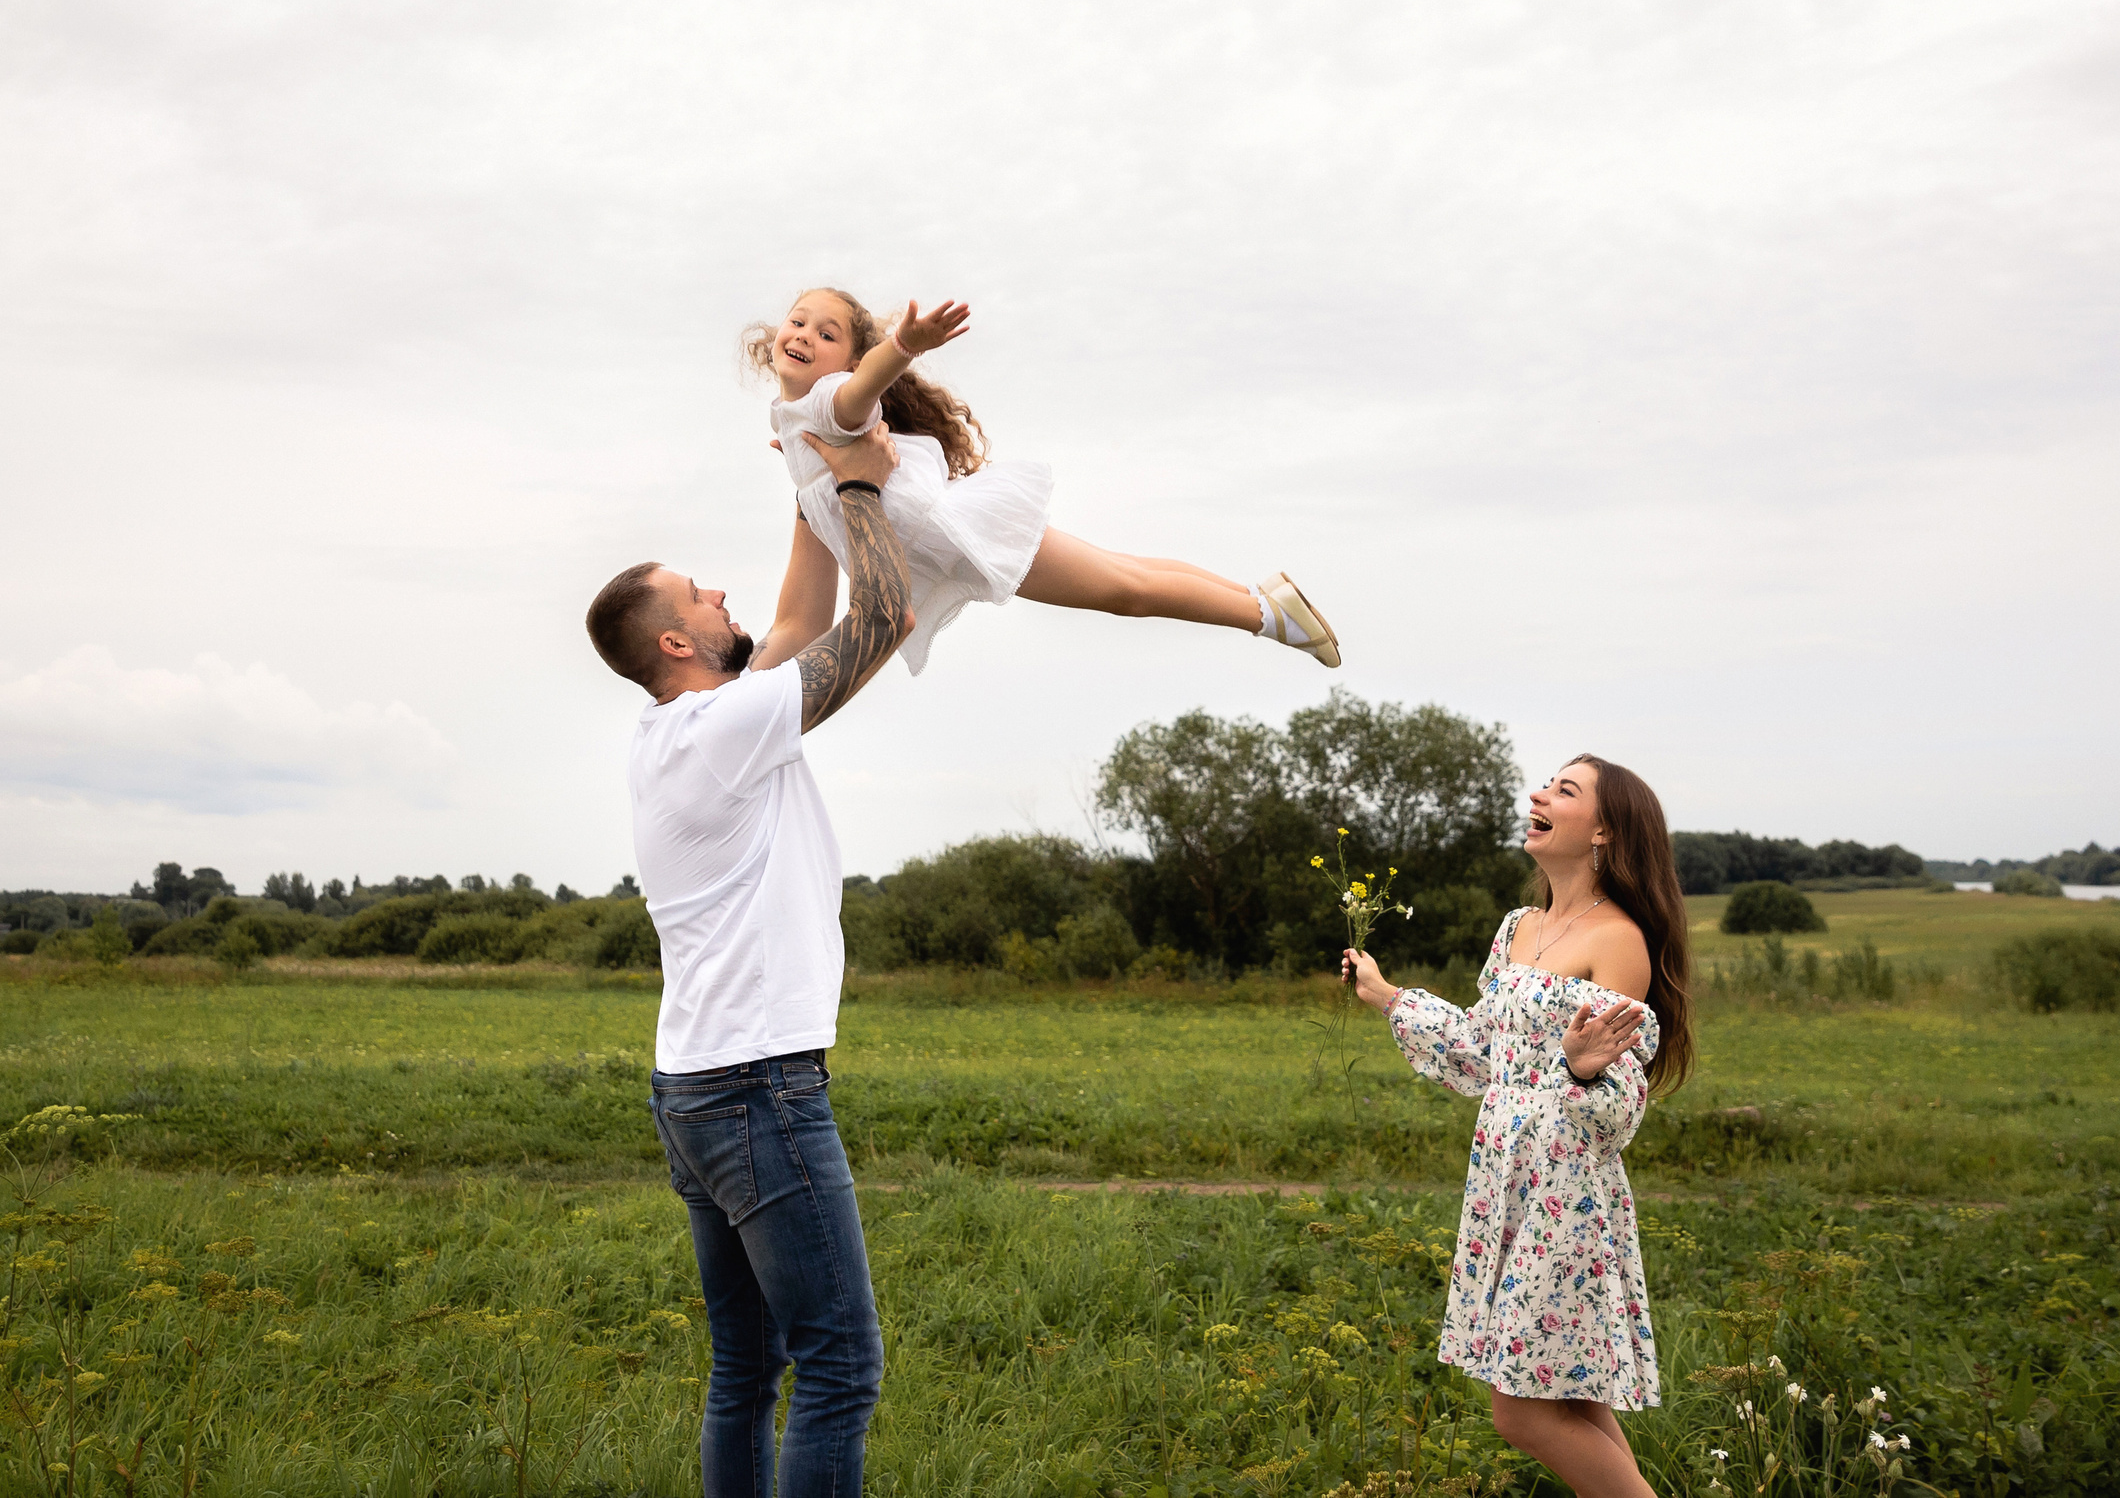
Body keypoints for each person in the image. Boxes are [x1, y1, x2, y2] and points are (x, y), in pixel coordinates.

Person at [584, 420, 912, 1497]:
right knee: (840, 1366)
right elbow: (876, 621)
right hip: (758, 1087)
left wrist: (810, 484)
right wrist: (860, 491)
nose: (720, 596)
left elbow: (795, 619)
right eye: (697, 595)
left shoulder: (679, 732)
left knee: (747, 1365)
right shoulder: (724, 730)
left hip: (696, 1084)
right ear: (674, 644)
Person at [1341, 754, 1695, 1498]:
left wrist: (1583, 1067)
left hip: (1566, 1196)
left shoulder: (1620, 939)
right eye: (1546, 782)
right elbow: (1480, 1054)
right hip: (1505, 1180)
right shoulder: (1519, 926)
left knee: (1523, 1411)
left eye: (1564, 790)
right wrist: (1387, 995)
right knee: (1572, 1398)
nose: (1539, 792)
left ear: (1603, 830)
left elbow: (1620, 1109)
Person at [748, 285, 1343, 676]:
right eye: (797, 322)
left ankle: (1267, 617)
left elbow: (858, 394)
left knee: (1124, 590)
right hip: (948, 534)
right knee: (1124, 574)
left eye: (827, 335)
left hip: (957, 533)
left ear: (851, 363)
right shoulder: (796, 419)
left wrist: (903, 345)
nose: (803, 335)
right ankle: (1258, 597)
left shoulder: (833, 400)